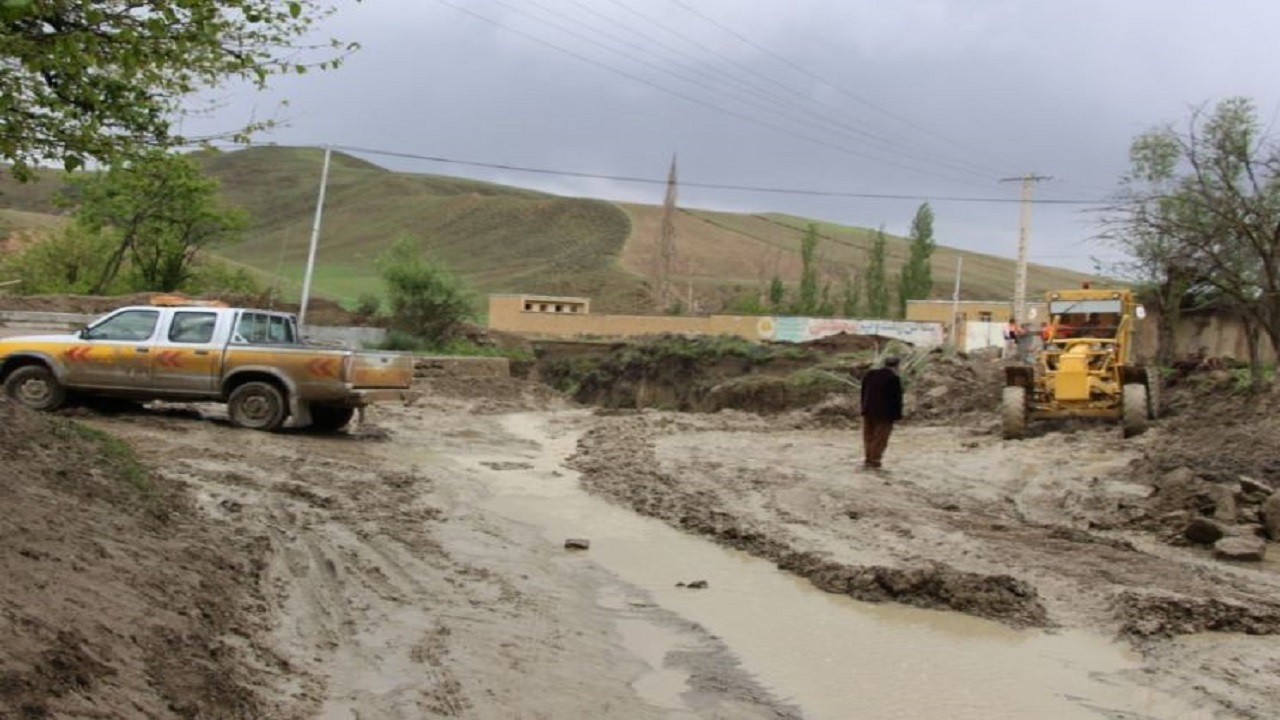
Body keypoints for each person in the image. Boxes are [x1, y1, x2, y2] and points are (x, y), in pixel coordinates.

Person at [860, 356, 904, 470]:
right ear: (897, 366)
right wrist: (897, 415)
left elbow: (863, 392)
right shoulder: (894, 378)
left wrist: (863, 407)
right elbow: (896, 398)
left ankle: (868, 458)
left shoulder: (870, 374)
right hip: (885, 414)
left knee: (868, 436)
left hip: (868, 410)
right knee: (880, 438)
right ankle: (874, 460)